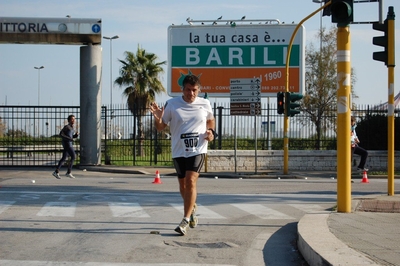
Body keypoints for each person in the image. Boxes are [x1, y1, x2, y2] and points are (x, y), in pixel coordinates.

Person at [149, 75, 215, 236]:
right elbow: (160, 127)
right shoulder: (172, 104)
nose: (191, 93)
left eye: (194, 90)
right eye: (188, 90)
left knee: (190, 180)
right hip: (179, 150)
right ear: (182, 89)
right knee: (183, 186)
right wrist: (157, 118)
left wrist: (211, 132)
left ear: (199, 90)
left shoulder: (205, 103)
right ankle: (191, 209)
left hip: (198, 149)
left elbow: (211, 121)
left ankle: (185, 220)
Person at [52, 114, 79, 179]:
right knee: (73, 156)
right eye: (72, 119)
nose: (74, 120)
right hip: (67, 144)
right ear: (69, 120)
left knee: (64, 158)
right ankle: (68, 172)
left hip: (69, 143)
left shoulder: (72, 128)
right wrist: (70, 139)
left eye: (74, 119)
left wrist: (75, 135)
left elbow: (71, 137)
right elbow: (61, 134)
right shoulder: (66, 127)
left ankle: (56, 171)